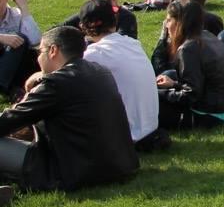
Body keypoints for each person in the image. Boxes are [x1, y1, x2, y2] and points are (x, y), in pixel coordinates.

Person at [0, 26, 138, 192]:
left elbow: (8, 121)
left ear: (53, 50)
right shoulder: (101, 72)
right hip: (118, 167)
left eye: (40, 52)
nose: (38, 59)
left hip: (72, 173)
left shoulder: (56, 84)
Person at [78, 0, 161, 147]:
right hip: (150, 130)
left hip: (127, 136)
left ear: (86, 25)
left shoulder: (95, 54)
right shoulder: (132, 44)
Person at [155, 0, 224, 129]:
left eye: (169, 20)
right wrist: (173, 84)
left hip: (209, 115)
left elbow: (190, 96)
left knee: (152, 101)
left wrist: (161, 93)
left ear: (180, 23)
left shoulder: (188, 49)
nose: (166, 25)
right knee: (169, 74)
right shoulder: (207, 35)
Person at [150, 0, 224, 73]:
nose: (181, 7)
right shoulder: (171, 22)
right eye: (178, 1)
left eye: (187, 2)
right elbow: (157, 63)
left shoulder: (210, 22)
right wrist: (164, 35)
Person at [64, 0, 141, 41]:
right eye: (106, 1)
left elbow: (121, 43)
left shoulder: (126, 16)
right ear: (93, 1)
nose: (113, 4)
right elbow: (56, 32)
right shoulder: (87, 15)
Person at [0, 0, 40, 97]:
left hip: (12, 64)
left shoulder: (16, 15)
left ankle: (11, 88)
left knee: (23, 43)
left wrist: (24, 9)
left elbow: (35, 40)